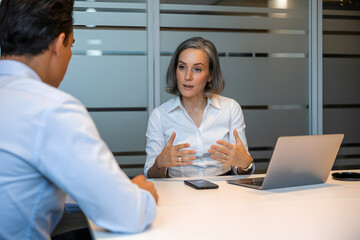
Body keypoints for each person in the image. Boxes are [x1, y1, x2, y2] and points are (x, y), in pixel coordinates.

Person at [0, 1, 157, 239]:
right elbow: (129, 214)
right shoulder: (51, 108)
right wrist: (138, 195)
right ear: (57, 44)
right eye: (71, 45)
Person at [145, 37, 254, 178]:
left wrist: (246, 165)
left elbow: (241, 168)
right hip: (178, 193)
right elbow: (151, 176)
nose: (187, 76)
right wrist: (159, 164)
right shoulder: (159, 115)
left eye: (197, 69)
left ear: (210, 75)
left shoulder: (231, 108)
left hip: (224, 192)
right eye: (182, 67)